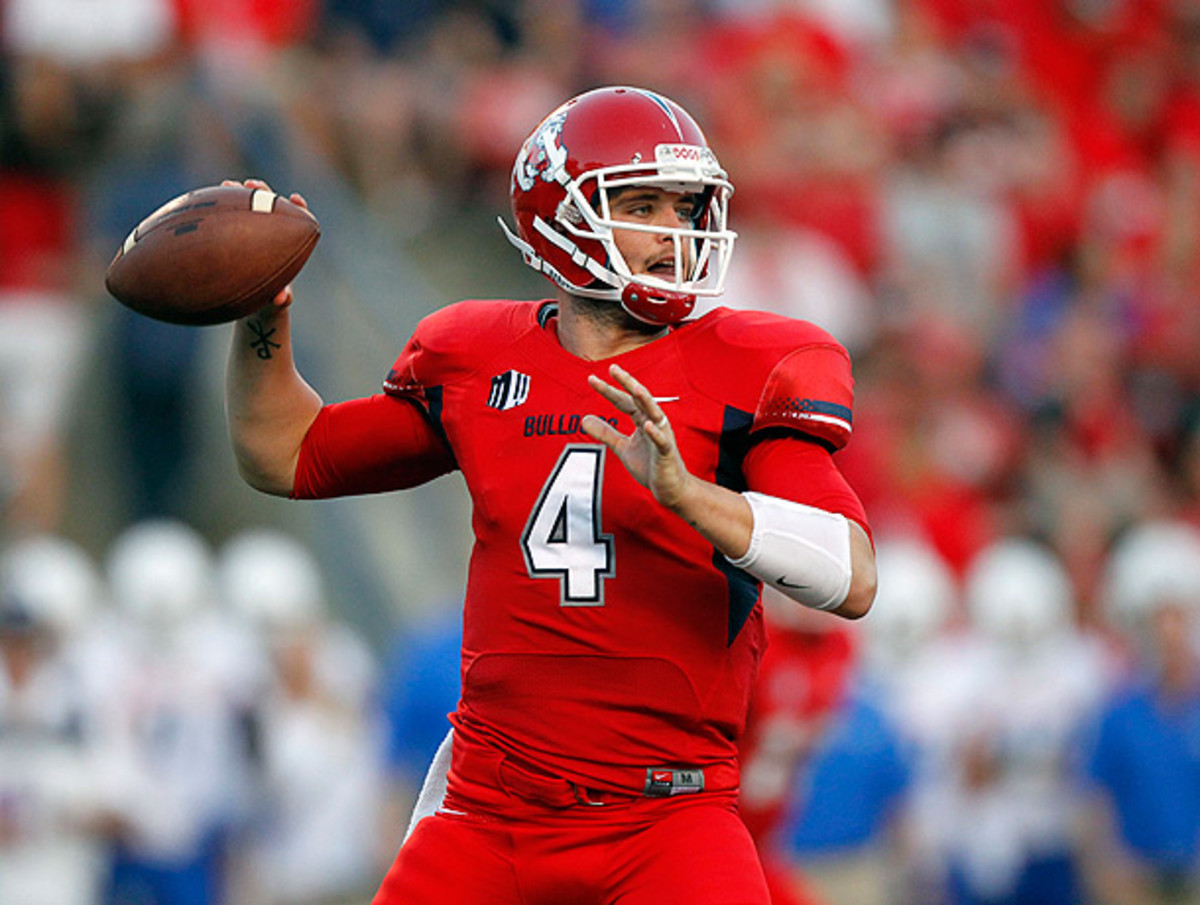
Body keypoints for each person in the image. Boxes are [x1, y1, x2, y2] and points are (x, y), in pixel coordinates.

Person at [222, 85, 876, 905]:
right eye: (644, 206)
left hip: (668, 819)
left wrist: (690, 495)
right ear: (560, 217)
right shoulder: (474, 355)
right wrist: (261, 316)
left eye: (688, 207)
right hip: (492, 814)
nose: (677, 233)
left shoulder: (754, 363)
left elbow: (850, 574)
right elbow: (286, 453)